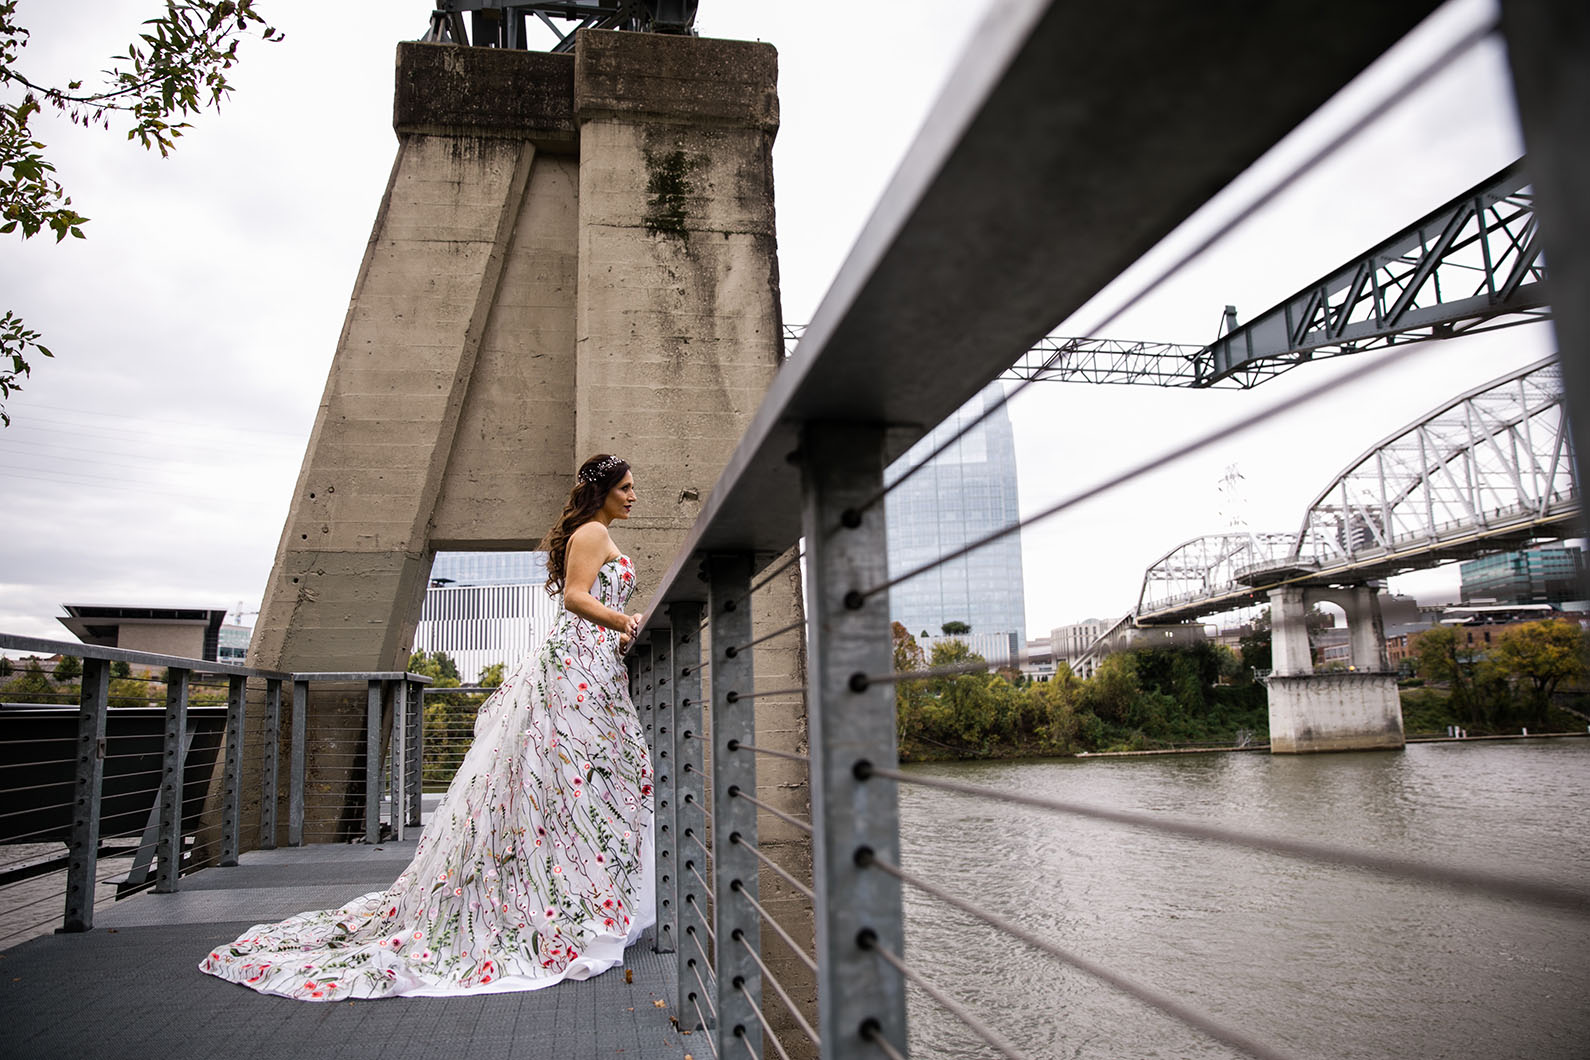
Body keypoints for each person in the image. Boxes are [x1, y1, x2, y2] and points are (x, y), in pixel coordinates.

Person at [199, 454, 652, 999]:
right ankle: (562, 896)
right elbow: (578, 599)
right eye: (625, 487)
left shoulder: (597, 531)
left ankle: (578, 890)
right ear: (602, 491)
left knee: (582, 783)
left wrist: (621, 634)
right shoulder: (593, 532)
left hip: (596, 665)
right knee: (569, 781)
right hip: (575, 667)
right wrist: (625, 620)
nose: (633, 496)